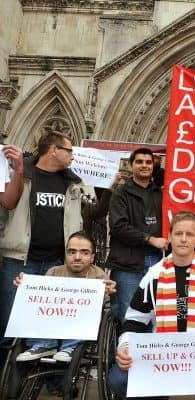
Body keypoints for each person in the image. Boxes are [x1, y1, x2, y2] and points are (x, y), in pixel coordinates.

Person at [108, 211, 195, 399]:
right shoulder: (154, 274)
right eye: (178, 234)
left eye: (189, 234)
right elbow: (134, 320)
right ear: (169, 237)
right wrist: (125, 346)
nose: (183, 239)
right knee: (118, 379)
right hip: (162, 356)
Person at [0, 133, 93, 363]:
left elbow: (92, 214)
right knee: (13, 326)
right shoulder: (19, 174)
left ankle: (51, 382)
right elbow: (7, 205)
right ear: (53, 150)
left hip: (56, 264)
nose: (73, 155)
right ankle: (10, 383)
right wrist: (18, 171)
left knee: (53, 325)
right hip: (20, 261)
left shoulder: (73, 181)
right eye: (69, 150)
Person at [13, 231, 116, 363]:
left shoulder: (99, 276)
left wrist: (107, 294)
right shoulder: (54, 272)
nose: (77, 257)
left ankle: (70, 347)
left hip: (82, 325)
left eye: (84, 252)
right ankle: (44, 345)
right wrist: (25, 288)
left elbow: (105, 311)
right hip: (53, 322)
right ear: (65, 254)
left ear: (92, 257)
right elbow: (38, 303)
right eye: (72, 252)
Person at [107, 147, 167, 321]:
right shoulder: (120, 193)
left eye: (148, 162)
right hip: (128, 264)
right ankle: (128, 348)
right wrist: (150, 239)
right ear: (130, 165)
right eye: (139, 162)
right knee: (130, 315)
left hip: (157, 261)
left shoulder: (161, 194)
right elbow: (118, 226)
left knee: (158, 316)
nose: (144, 165)